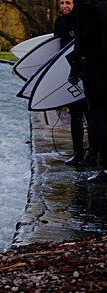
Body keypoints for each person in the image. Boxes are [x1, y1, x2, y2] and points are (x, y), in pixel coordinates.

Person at [55, 0, 97, 166]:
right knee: (75, 116)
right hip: (69, 74)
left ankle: (93, 155)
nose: (64, 6)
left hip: (86, 72)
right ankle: (77, 153)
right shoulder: (59, 22)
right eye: (61, 3)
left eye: (68, 3)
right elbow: (57, 51)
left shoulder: (84, 19)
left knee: (91, 116)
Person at [70, 0, 107, 182]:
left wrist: (75, 67)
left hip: (96, 64)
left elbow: (82, 36)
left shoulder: (87, 3)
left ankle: (106, 168)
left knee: (99, 116)